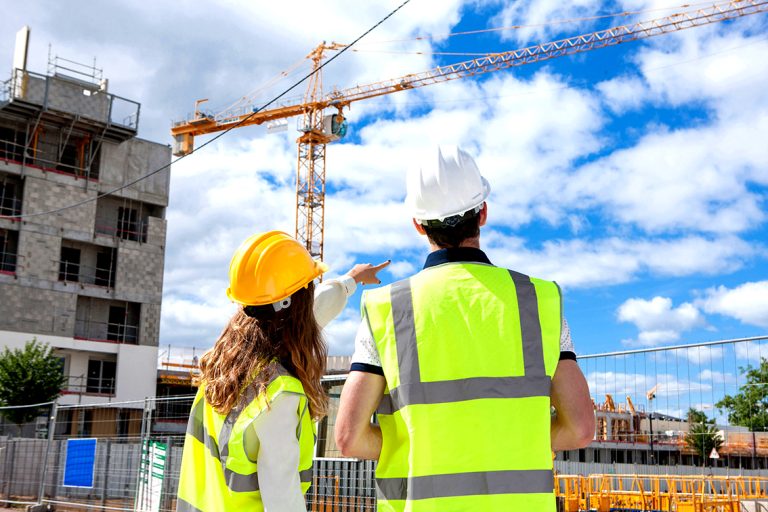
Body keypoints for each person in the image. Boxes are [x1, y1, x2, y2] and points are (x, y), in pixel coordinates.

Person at [335, 147, 595, 511]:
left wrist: (423, 444)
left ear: (418, 224)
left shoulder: (385, 308)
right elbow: (581, 428)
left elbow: (349, 438)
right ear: (483, 212)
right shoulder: (541, 301)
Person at [176, 230, 389, 512]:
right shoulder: (277, 393)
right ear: (293, 306)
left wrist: (351, 280)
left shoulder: (223, 369)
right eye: (308, 286)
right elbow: (283, 499)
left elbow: (314, 307)